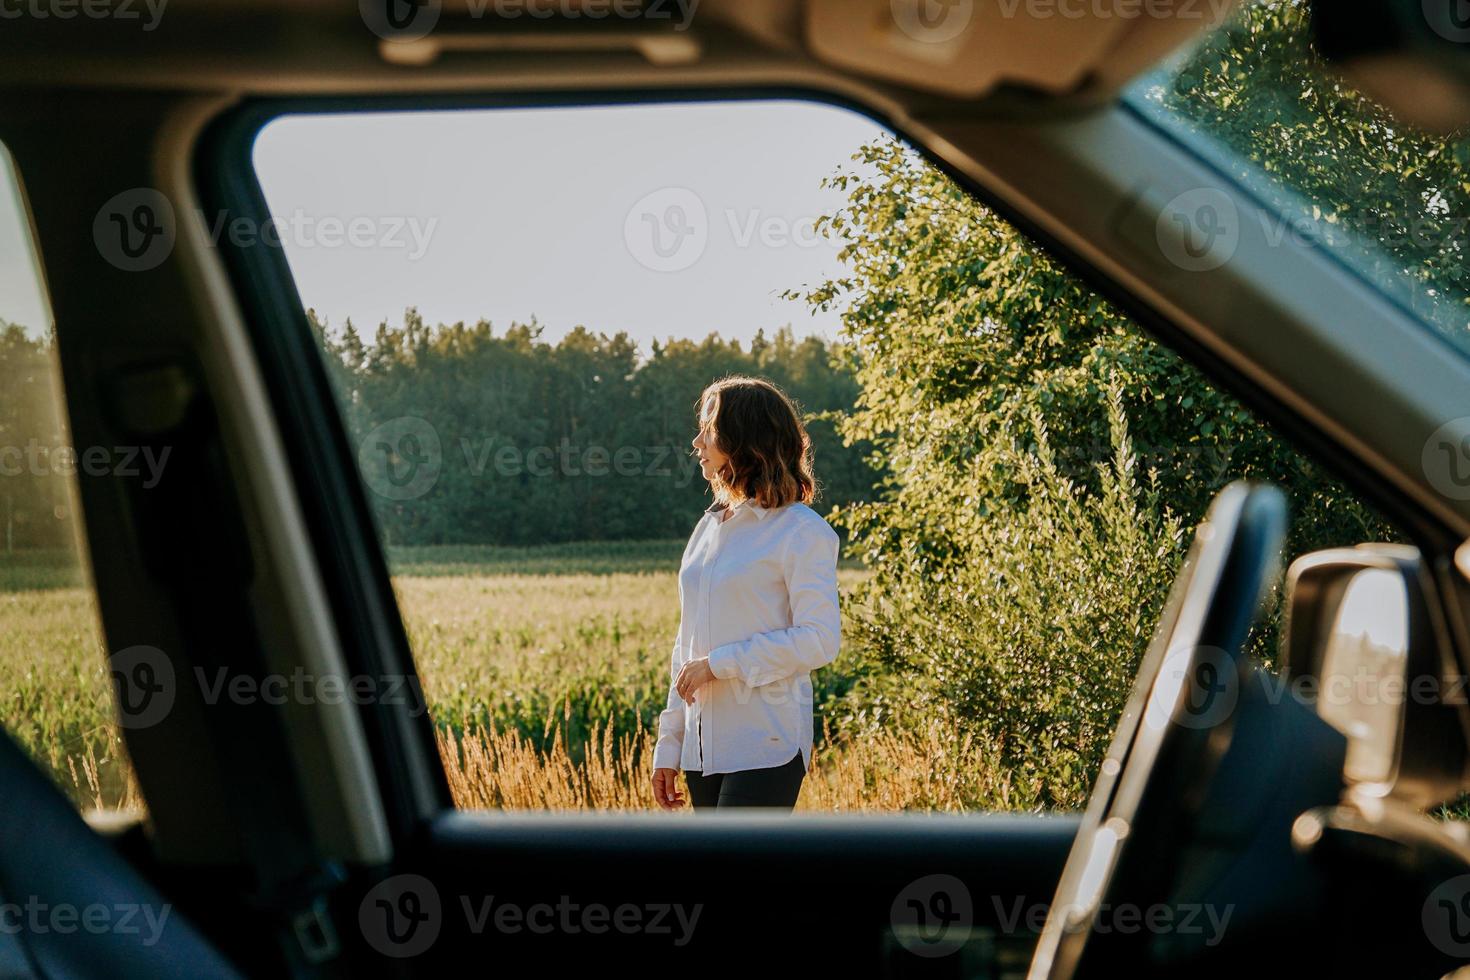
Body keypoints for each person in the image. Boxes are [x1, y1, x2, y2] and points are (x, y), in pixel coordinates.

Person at [650, 375, 842, 813]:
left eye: (709, 429)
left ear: (744, 440)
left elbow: (819, 639)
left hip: (765, 744)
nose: (697, 441)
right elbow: (687, 649)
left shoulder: (802, 532)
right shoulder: (707, 529)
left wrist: (720, 665)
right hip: (702, 750)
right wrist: (669, 746)